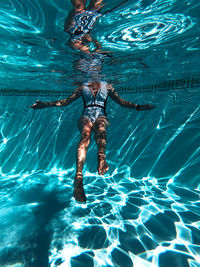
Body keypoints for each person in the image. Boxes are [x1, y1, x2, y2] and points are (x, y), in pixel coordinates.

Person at [30, 81, 155, 203]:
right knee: (90, 135)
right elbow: (65, 102)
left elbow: (122, 102)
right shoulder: (84, 87)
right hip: (88, 117)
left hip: (96, 117)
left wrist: (138, 107)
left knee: (97, 131)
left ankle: (92, 165)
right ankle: (83, 172)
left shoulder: (106, 86)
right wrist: (45, 104)